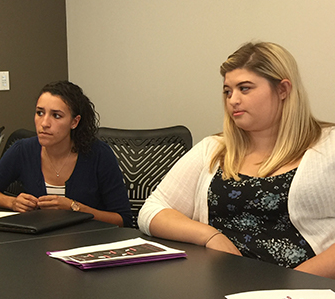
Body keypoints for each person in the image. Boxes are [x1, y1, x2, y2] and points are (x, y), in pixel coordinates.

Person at [139, 42, 335, 277]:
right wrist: (210, 235)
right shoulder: (214, 148)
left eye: (245, 88)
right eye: (227, 91)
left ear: (283, 90)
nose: (233, 100)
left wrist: (292, 284)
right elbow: (152, 211)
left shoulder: (328, 146)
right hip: (219, 286)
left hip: (300, 297)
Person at [0, 80, 132, 227]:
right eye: (39, 113)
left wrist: (74, 208)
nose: (44, 123)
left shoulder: (99, 154)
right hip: (36, 242)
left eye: (56, 115)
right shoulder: (23, 150)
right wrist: (12, 202)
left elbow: (122, 219)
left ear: (74, 122)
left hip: (88, 243)